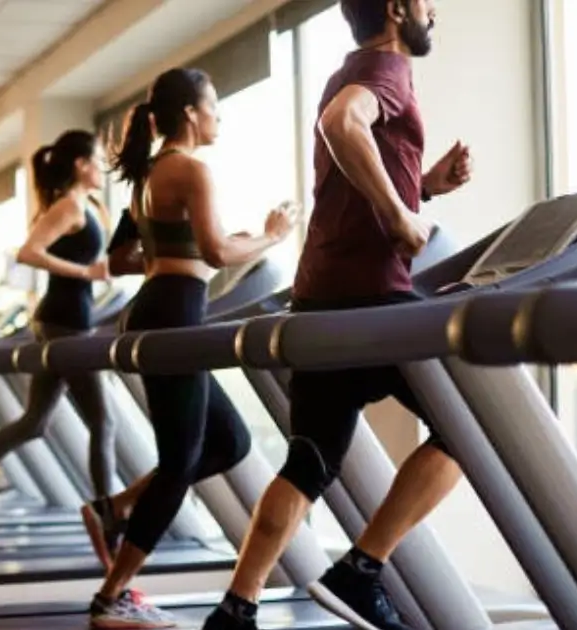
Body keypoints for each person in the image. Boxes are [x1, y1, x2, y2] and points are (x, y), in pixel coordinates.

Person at [201, 1, 473, 629]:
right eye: (427, 2)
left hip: (320, 295)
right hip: (371, 295)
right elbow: (340, 124)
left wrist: (422, 187)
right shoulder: (386, 68)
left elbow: (350, 166)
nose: (435, 12)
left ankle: (236, 609)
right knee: (468, 432)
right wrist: (401, 218)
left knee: (310, 460)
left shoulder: (352, 66)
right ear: (400, 7)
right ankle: (361, 570)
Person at [85, 67, 299, 629]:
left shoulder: (147, 176)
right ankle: (112, 595)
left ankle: (119, 507)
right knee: (180, 463)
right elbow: (219, 248)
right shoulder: (191, 170)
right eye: (213, 106)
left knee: (229, 441)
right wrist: (273, 235)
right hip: (176, 310)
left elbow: (123, 259)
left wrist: (167, 260)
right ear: (190, 114)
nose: (218, 117)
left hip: (161, 306)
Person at [0, 129, 122, 546]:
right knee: (103, 421)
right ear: (81, 165)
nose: (102, 167)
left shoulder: (88, 205)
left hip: (69, 321)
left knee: (35, 423)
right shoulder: (68, 206)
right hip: (64, 323)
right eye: (98, 160)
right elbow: (29, 252)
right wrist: (86, 273)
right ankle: (107, 516)